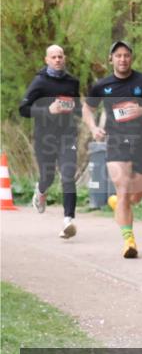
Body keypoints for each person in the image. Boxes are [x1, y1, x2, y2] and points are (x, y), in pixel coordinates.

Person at [82, 41, 142, 258]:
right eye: (118, 55)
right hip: (116, 142)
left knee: (135, 196)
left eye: (126, 55)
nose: (122, 59)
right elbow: (87, 108)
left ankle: (117, 203)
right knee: (122, 188)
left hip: (141, 142)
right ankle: (129, 241)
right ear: (111, 59)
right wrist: (93, 128)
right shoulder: (102, 85)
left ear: (131, 58)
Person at [18, 45, 82, 239]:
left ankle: (68, 221)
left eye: (60, 56)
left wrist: (81, 110)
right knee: (48, 176)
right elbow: (23, 109)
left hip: (67, 135)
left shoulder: (72, 82)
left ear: (65, 58)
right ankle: (41, 191)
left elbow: (77, 107)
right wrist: (48, 110)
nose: (57, 60)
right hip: (45, 137)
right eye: (53, 57)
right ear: (47, 60)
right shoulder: (39, 82)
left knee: (68, 175)